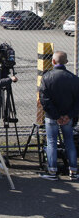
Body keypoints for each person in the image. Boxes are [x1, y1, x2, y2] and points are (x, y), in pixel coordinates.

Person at [38, 51, 79, 180]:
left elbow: (44, 100)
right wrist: (68, 115)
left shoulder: (47, 77)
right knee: (69, 142)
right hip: (68, 116)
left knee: (51, 142)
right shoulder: (74, 79)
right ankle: (73, 171)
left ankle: (52, 171)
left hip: (52, 117)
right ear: (66, 62)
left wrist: (56, 116)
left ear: (53, 62)